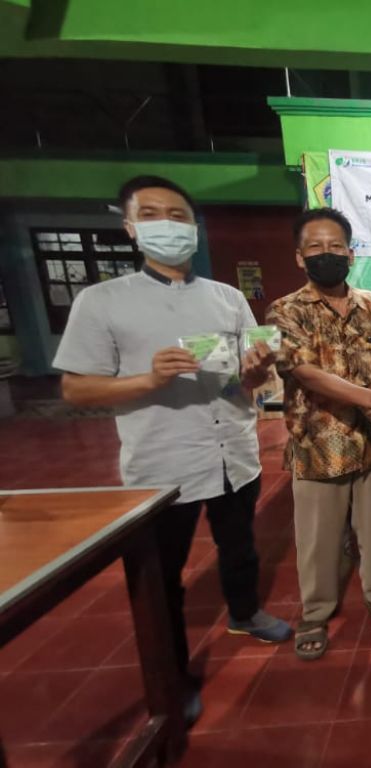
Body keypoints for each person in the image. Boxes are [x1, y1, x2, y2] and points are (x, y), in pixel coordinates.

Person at [54, 175, 292, 725]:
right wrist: (148, 379)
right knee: (162, 577)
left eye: (179, 215)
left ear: (194, 226)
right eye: (152, 214)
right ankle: (171, 676)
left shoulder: (227, 297)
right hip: (164, 463)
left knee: (240, 546)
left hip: (234, 453)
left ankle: (245, 612)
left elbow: (248, 378)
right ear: (130, 228)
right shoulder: (102, 301)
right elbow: (76, 389)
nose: (168, 225)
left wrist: (258, 371)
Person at [266, 208, 371, 660]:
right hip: (317, 444)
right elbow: (304, 372)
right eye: (315, 247)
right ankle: (315, 613)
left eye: (335, 246)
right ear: (299, 256)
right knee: (318, 539)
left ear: (351, 253)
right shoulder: (285, 310)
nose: (326, 254)